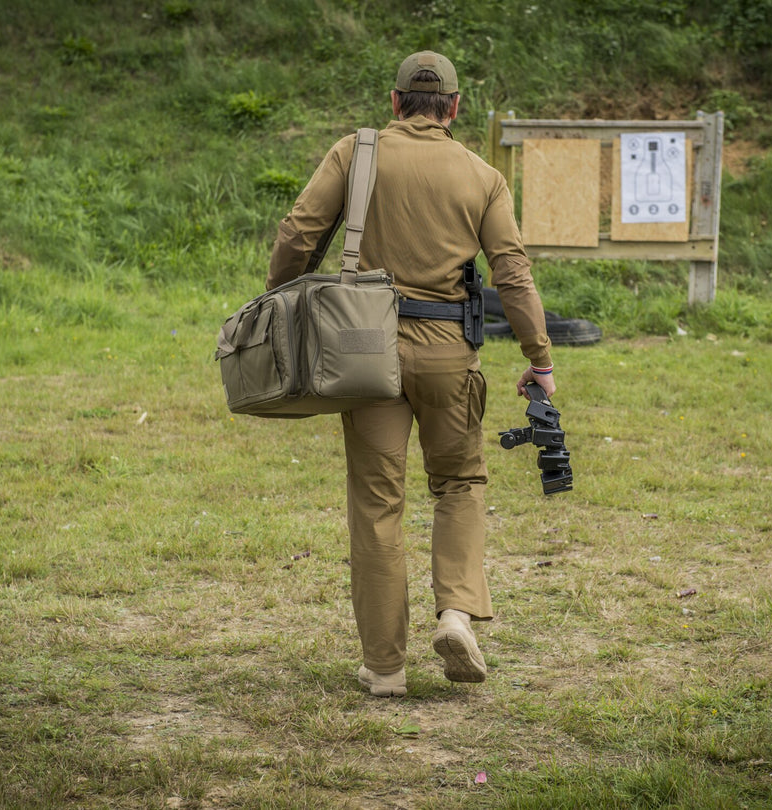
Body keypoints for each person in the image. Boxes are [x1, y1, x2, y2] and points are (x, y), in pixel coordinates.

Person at [267, 51, 557, 697]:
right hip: (452, 349)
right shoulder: (482, 175)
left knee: (377, 504)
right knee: (459, 481)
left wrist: (277, 307)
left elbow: (297, 234)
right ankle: (456, 612)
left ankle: (386, 668)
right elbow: (512, 272)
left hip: (364, 352)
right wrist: (539, 356)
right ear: (453, 109)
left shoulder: (355, 151)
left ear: (396, 102)